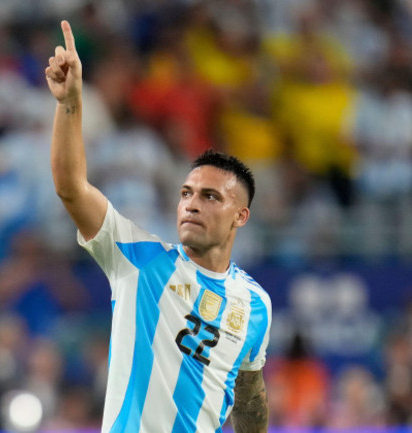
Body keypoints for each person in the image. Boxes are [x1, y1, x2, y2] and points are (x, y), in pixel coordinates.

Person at [45, 20, 272, 433]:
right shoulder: (140, 261)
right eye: (186, 193)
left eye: (210, 197)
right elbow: (71, 189)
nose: (191, 205)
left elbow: (249, 394)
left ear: (241, 216)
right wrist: (70, 103)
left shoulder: (255, 304)